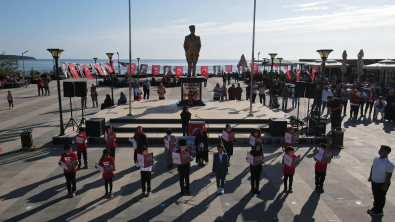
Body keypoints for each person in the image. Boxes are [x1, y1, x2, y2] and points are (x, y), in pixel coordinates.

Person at [368, 145, 394, 216]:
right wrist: (370, 176)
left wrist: (385, 185)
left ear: (386, 153)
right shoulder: (376, 158)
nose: (379, 151)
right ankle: (375, 208)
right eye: (380, 149)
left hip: (381, 183)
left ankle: (379, 211)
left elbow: (389, 175)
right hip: (374, 181)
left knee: (381, 197)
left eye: (381, 150)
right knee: (375, 195)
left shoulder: (389, 163)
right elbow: (373, 167)